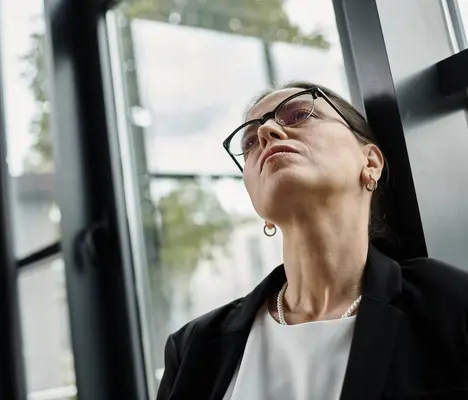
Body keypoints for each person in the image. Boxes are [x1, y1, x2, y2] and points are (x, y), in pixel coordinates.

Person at [156, 82, 468, 400]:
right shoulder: (194, 349)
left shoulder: (450, 305)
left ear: (370, 162)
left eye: (300, 114)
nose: (266, 132)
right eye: (250, 141)